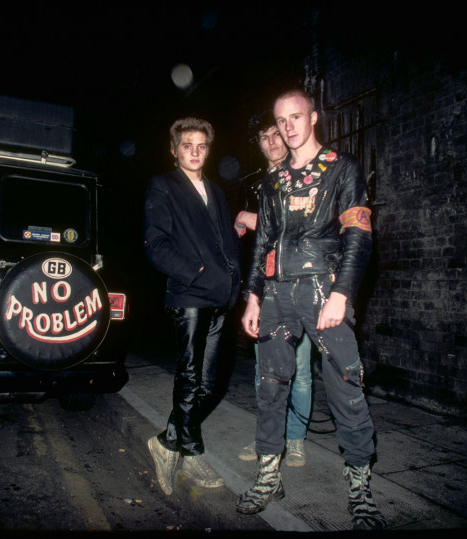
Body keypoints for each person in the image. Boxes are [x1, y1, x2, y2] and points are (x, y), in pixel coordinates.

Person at [236, 89, 385, 530]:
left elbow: (358, 232)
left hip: (323, 290)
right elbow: (263, 242)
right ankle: (268, 477)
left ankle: (360, 488)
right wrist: (253, 296)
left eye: (296, 117)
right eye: (281, 121)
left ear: (313, 117)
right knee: (270, 385)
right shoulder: (272, 181)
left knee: (345, 384)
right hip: (277, 296)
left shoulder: (343, 168)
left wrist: (343, 292)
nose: (288, 127)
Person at [143, 117, 241, 496]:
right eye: (188, 145)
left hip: (220, 295)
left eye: (202, 145)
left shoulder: (215, 190)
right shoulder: (163, 186)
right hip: (189, 295)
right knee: (189, 379)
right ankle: (191, 449)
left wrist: (235, 280)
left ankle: (169, 441)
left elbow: (224, 240)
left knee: (212, 382)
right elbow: (155, 244)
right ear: (174, 149)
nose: (195, 151)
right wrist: (195, 273)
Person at [234, 111, 313, 468]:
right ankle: (268, 439)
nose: (271, 142)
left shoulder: (309, 175)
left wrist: (252, 219)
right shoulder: (252, 183)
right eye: (263, 137)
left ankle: (294, 441)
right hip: (264, 286)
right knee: (264, 369)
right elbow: (240, 238)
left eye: (276, 133)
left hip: (301, 283)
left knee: (299, 366)